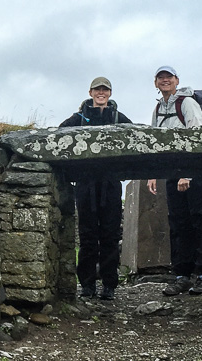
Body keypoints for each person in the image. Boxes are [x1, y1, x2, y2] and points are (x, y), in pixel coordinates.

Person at [59, 76, 132, 301]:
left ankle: (109, 285)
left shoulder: (119, 117)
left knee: (110, 235)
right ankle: (87, 284)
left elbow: (135, 139)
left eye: (105, 90)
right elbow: (59, 134)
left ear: (110, 93)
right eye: (97, 89)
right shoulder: (78, 118)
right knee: (88, 236)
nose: (101, 93)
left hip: (110, 185)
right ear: (91, 92)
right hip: (85, 185)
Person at [147, 65, 202, 296]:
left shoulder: (187, 104)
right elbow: (154, 142)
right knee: (178, 225)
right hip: (173, 175)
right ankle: (182, 275)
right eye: (161, 78)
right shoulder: (157, 109)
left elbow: (198, 136)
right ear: (156, 83)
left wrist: (188, 174)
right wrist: (154, 173)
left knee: (198, 223)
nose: (165, 81)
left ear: (176, 80)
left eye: (169, 77)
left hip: (192, 174)